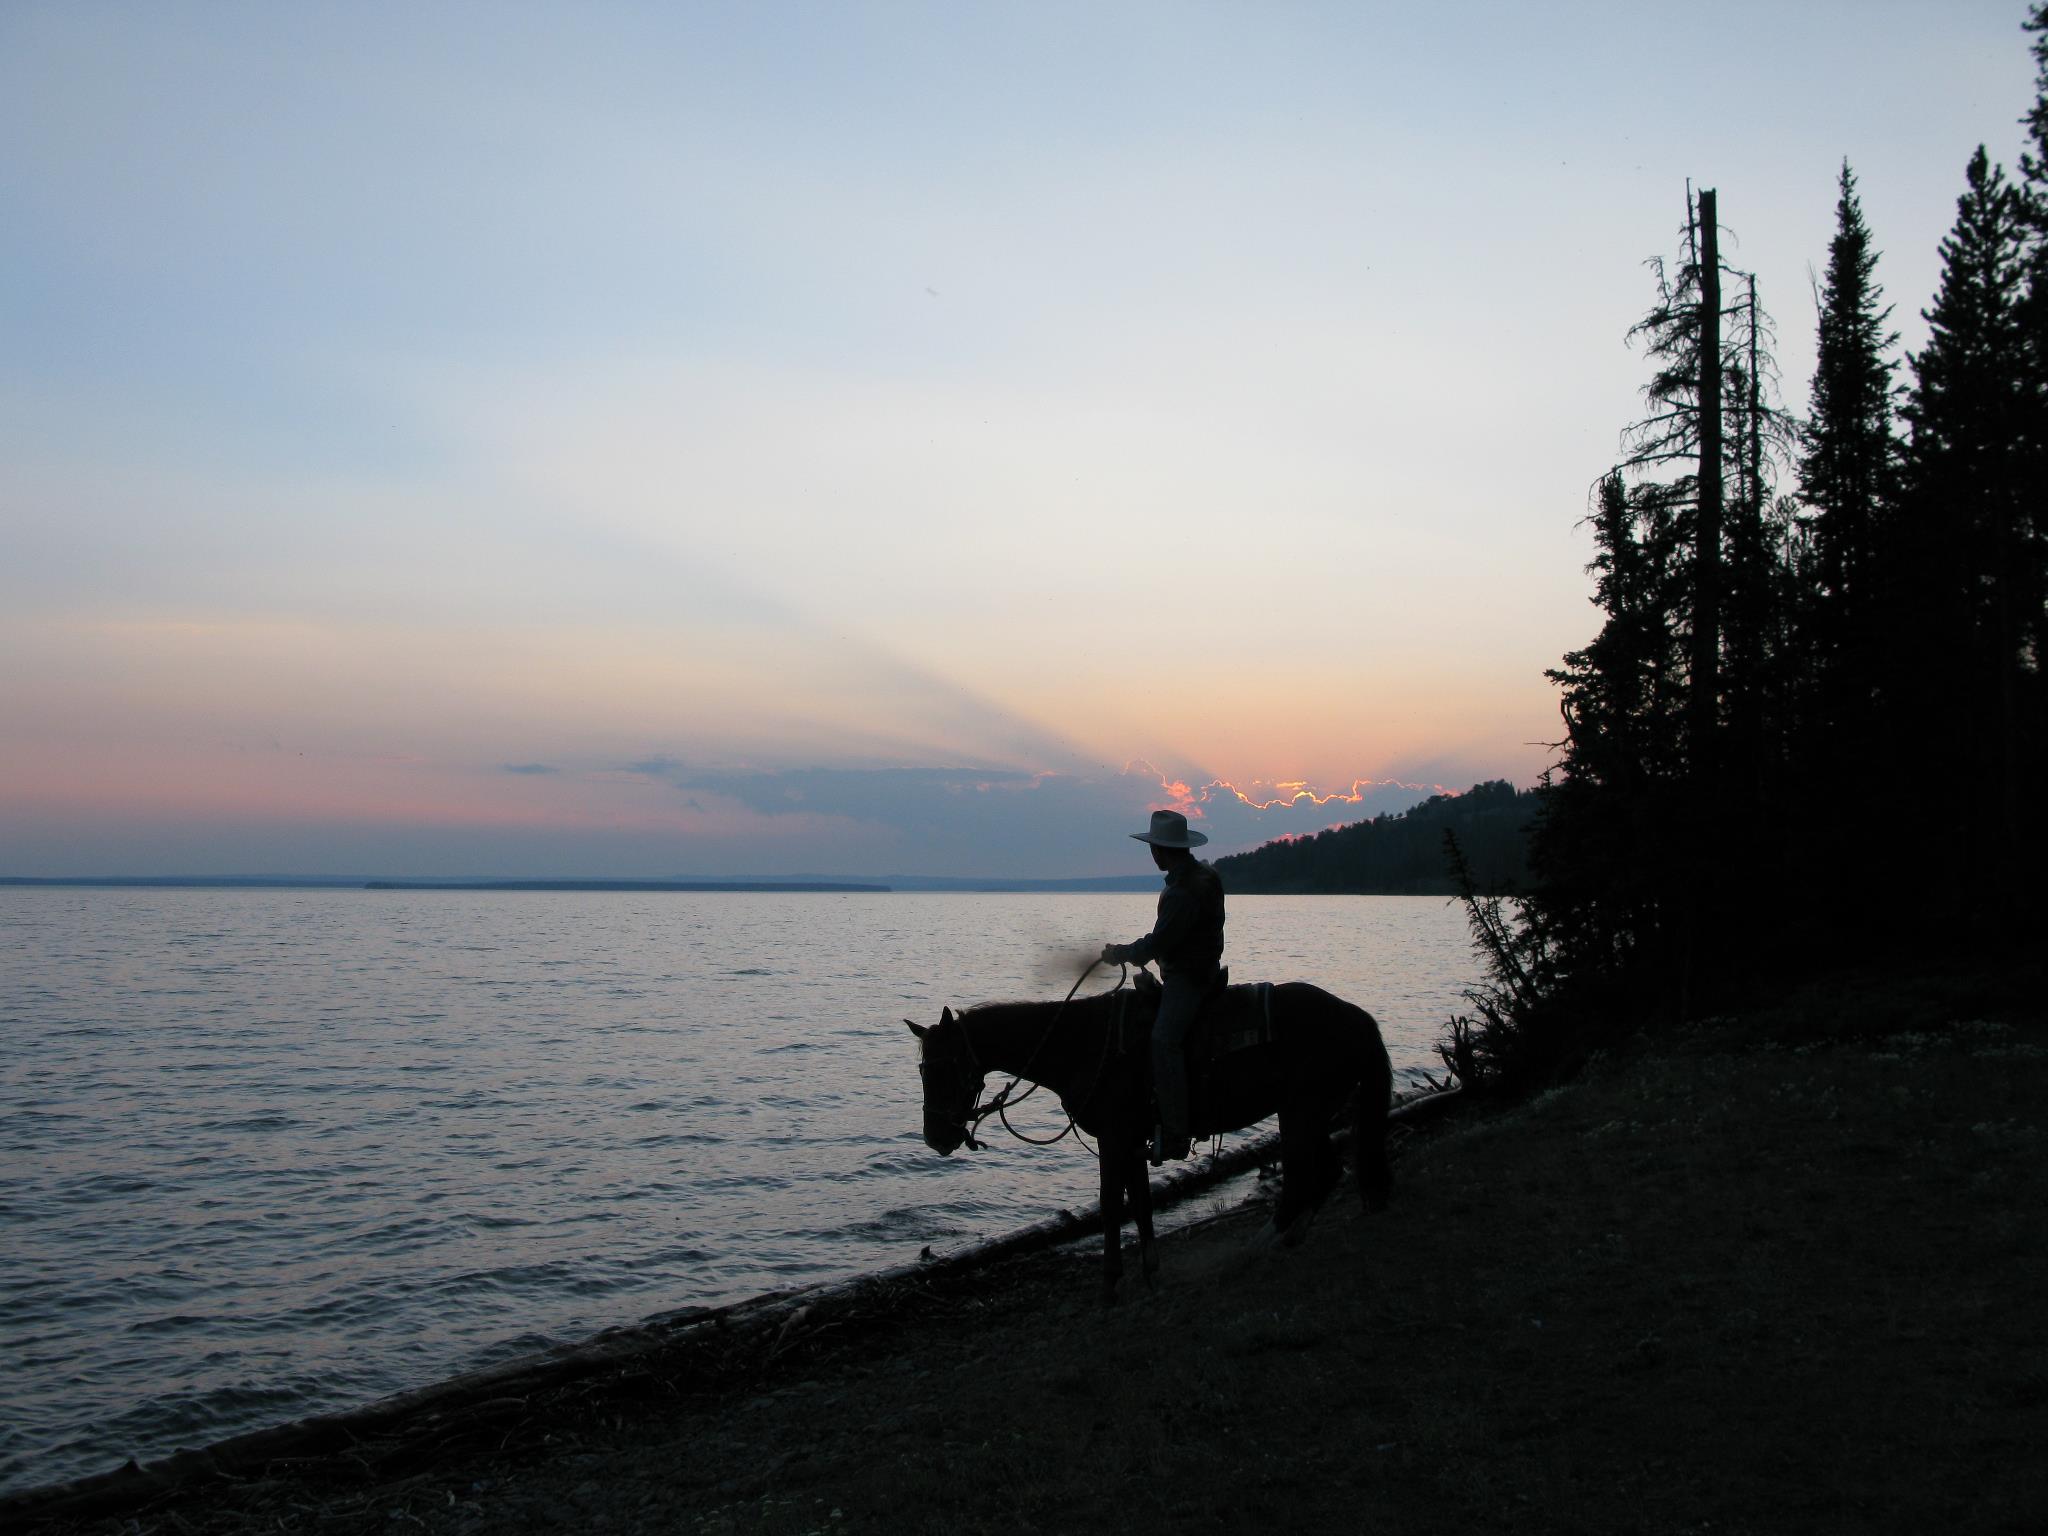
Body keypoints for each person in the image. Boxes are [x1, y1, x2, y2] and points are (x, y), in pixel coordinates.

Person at [1099, 809, 1226, 1162]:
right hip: (1205, 971)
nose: (1152, 853)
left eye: (1154, 847)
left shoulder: (1182, 891)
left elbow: (1159, 943)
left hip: (1188, 979)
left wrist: (1121, 953)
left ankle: (1175, 1133)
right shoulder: (1206, 875)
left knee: (1163, 1041)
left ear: (1160, 850)